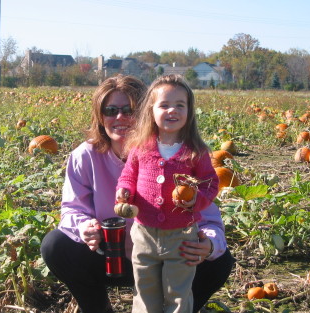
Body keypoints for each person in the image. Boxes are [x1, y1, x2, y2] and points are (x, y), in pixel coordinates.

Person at [40, 74, 235, 313]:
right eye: (110, 110)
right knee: (55, 245)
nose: (119, 117)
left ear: (146, 113)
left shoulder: (180, 156)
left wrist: (209, 243)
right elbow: (72, 209)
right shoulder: (85, 156)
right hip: (109, 256)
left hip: (169, 256)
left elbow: (210, 217)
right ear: (100, 117)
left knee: (219, 261)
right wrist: (85, 227)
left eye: (129, 109)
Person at [115, 74, 219, 312]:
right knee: (144, 290)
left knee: (178, 293)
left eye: (179, 105)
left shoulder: (195, 151)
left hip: (182, 236)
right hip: (143, 234)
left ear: (189, 111)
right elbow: (128, 176)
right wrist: (124, 192)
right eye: (164, 105)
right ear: (151, 110)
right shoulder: (140, 147)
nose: (172, 110)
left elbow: (210, 184)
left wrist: (195, 199)